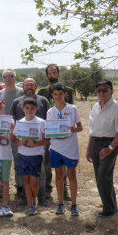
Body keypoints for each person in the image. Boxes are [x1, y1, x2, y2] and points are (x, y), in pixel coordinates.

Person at [86, 80, 118, 217]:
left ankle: (109, 210)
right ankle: (111, 208)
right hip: (95, 143)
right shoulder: (95, 107)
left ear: (112, 91)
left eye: (105, 90)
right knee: (101, 178)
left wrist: (109, 148)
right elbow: (92, 130)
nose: (101, 93)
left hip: (110, 144)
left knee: (104, 177)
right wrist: (88, 149)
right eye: (99, 90)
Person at [11, 78, 50, 203]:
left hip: (37, 152)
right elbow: (13, 136)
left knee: (38, 177)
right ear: (23, 109)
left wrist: (37, 143)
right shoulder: (19, 117)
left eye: (31, 85)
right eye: (26, 108)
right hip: (22, 152)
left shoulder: (43, 105)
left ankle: (40, 196)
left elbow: (48, 135)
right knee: (25, 178)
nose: (29, 110)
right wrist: (19, 142)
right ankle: (28, 201)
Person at [38, 64, 74, 201]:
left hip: (63, 133)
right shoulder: (42, 92)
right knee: (47, 161)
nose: (52, 76)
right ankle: (47, 188)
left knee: (63, 163)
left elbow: (71, 109)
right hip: (48, 132)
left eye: (54, 73)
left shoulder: (68, 91)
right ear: (47, 76)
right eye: (50, 73)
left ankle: (64, 189)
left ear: (58, 74)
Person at [47, 83, 83, 216]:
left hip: (70, 147)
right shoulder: (50, 111)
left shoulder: (72, 109)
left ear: (65, 94)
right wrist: (48, 131)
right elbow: (49, 129)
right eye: (55, 94)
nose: (58, 97)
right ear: (52, 95)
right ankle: (60, 203)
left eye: (60, 94)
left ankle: (74, 204)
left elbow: (80, 127)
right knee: (59, 175)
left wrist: (74, 129)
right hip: (56, 147)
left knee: (72, 175)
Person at [0, 69, 23, 199]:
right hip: (3, 132)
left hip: (18, 131)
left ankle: (20, 187)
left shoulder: (22, 92)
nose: (8, 78)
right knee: (3, 160)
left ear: (15, 77)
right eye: (5, 76)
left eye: (11, 76)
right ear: (2, 79)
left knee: (18, 159)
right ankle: (3, 188)